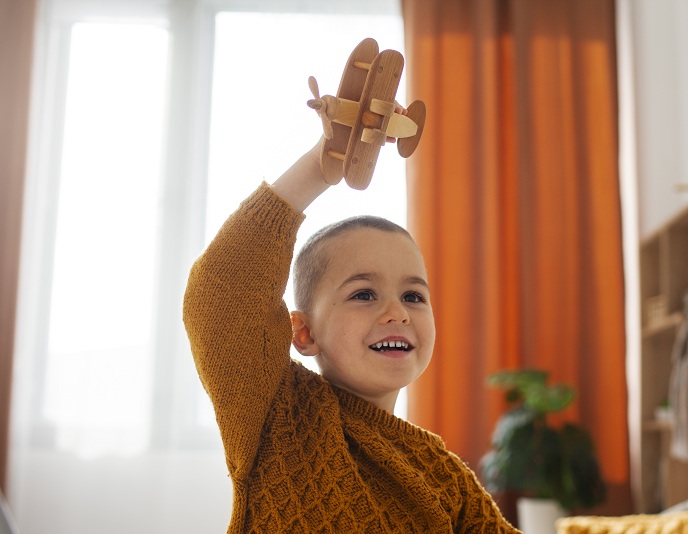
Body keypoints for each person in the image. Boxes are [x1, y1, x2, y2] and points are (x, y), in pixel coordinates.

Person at [183, 117, 519, 532]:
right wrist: (316, 168)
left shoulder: (445, 476)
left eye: (413, 296)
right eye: (364, 294)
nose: (398, 313)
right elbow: (221, 292)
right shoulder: (278, 411)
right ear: (303, 333)